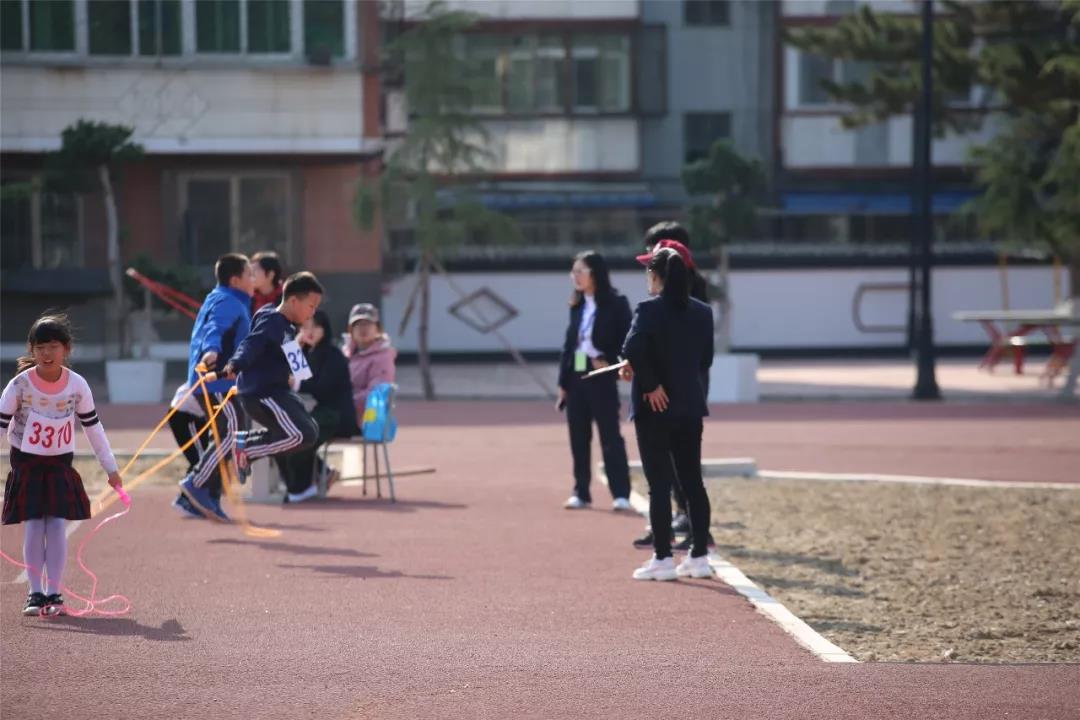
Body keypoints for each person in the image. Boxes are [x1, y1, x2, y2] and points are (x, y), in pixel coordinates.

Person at [1, 314, 123, 616]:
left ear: (66, 349)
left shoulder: (77, 386)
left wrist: (111, 468)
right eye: (40, 347)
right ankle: (35, 593)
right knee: (33, 524)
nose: (46, 353)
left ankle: (54, 593)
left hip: (59, 463)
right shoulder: (18, 386)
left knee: (55, 523)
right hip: (26, 462)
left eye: (53, 346)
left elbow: (94, 428)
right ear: (32, 350)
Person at [180, 272, 322, 519]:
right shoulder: (272, 320)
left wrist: (306, 346)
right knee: (302, 433)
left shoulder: (287, 329)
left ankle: (244, 445)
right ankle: (244, 450)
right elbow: (250, 345)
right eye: (311, 306)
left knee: (310, 431)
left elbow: (300, 370)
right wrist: (231, 367)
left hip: (278, 393)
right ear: (294, 301)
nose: (313, 313)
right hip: (262, 394)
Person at [621, 248, 715, 581]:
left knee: (658, 484)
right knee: (692, 482)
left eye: (649, 272)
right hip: (690, 406)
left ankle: (662, 557)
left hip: (656, 408)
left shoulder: (648, 309)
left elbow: (631, 348)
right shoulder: (703, 312)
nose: (647, 277)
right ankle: (699, 555)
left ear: (657, 276)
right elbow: (705, 360)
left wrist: (650, 384)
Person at [171, 253, 255, 520]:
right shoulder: (227, 301)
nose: (253, 280)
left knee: (224, 436)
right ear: (236, 279)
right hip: (217, 380)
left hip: (219, 381)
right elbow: (214, 329)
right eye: (250, 274)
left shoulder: (227, 299)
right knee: (231, 431)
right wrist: (211, 351)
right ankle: (195, 485)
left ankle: (202, 497)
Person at [557, 251, 633, 511]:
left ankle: (621, 493)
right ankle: (581, 491)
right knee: (578, 436)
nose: (575, 277)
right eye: (573, 272)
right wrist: (564, 383)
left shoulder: (617, 303)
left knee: (610, 437)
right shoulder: (577, 305)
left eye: (581, 271)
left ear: (595, 274)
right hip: (578, 375)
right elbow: (570, 345)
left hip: (602, 378)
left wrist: (610, 362)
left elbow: (627, 342)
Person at [277, 309, 357, 504]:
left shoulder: (333, 354)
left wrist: (293, 382)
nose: (309, 331)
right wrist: (294, 347)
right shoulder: (308, 351)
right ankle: (306, 483)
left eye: (315, 326)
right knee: (279, 441)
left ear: (325, 328)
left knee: (299, 439)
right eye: (305, 327)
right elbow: (296, 378)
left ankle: (303, 488)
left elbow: (320, 388)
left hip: (337, 416)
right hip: (317, 412)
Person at [345, 303, 397, 420]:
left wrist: (344, 401)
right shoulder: (345, 354)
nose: (363, 329)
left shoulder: (383, 357)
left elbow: (377, 393)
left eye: (368, 324)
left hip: (369, 420)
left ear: (378, 329)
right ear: (350, 330)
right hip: (345, 413)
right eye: (358, 324)